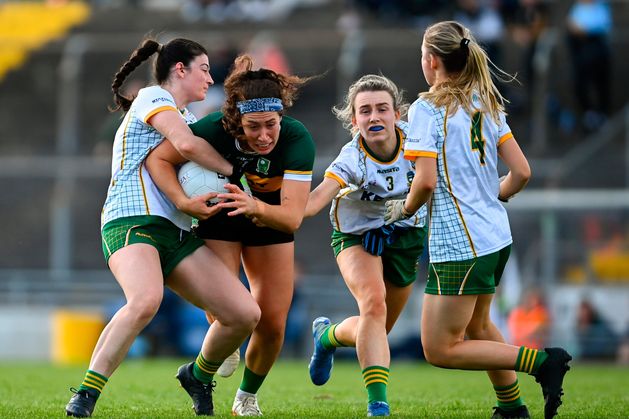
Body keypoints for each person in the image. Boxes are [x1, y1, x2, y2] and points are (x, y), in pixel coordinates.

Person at [384, 21, 572, 419]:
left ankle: (542, 363)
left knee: (439, 348)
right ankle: (511, 409)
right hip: (495, 235)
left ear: (431, 60)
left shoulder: (426, 109)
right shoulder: (485, 101)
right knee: (480, 328)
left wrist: (402, 211)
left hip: (459, 244)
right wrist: (493, 196)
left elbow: (425, 183)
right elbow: (521, 172)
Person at [64, 37, 261, 418]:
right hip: (130, 219)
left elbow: (187, 151)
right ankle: (86, 395)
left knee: (244, 314)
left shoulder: (188, 117)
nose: (209, 77)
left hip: (174, 232)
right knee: (145, 300)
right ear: (180, 70)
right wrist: (234, 170)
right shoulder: (154, 97)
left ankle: (197, 375)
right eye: (203, 69)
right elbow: (186, 146)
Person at [145, 54, 315, 416]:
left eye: (271, 124)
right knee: (226, 306)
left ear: (281, 117)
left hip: (270, 219)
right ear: (237, 120)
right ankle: (223, 346)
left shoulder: (298, 139)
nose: (264, 135)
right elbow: (158, 160)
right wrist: (183, 202)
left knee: (272, 323)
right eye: (254, 126)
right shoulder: (213, 128)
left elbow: (292, 219)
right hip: (220, 217)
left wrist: (256, 208)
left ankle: (245, 397)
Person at [303, 74, 428, 417]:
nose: (374, 117)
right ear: (353, 119)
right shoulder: (351, 158)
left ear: (397, 113)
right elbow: (314, 203)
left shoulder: (418, 144)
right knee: (373, 306)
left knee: (377, 330)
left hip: (406, 236)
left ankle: (327, 337)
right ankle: (378, 405)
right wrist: (263, 208)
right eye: (365, 111)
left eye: (382, 109)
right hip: (356, 236)